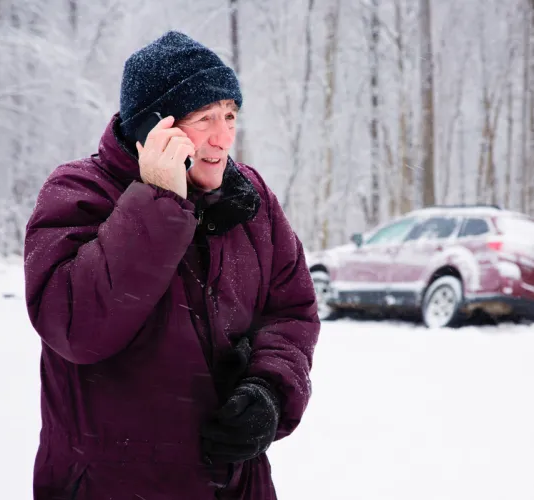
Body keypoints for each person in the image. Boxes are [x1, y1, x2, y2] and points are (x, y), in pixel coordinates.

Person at [23, 30, 320, 499]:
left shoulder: (251, 199)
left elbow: (292, 310)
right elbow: (76, 328)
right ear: (152, 129)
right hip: (112, 485)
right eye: (204, 119)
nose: (224, 138)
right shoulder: (77, 193)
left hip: (234, 485)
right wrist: (158, 199)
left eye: (230, 115)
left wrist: (271, 389)